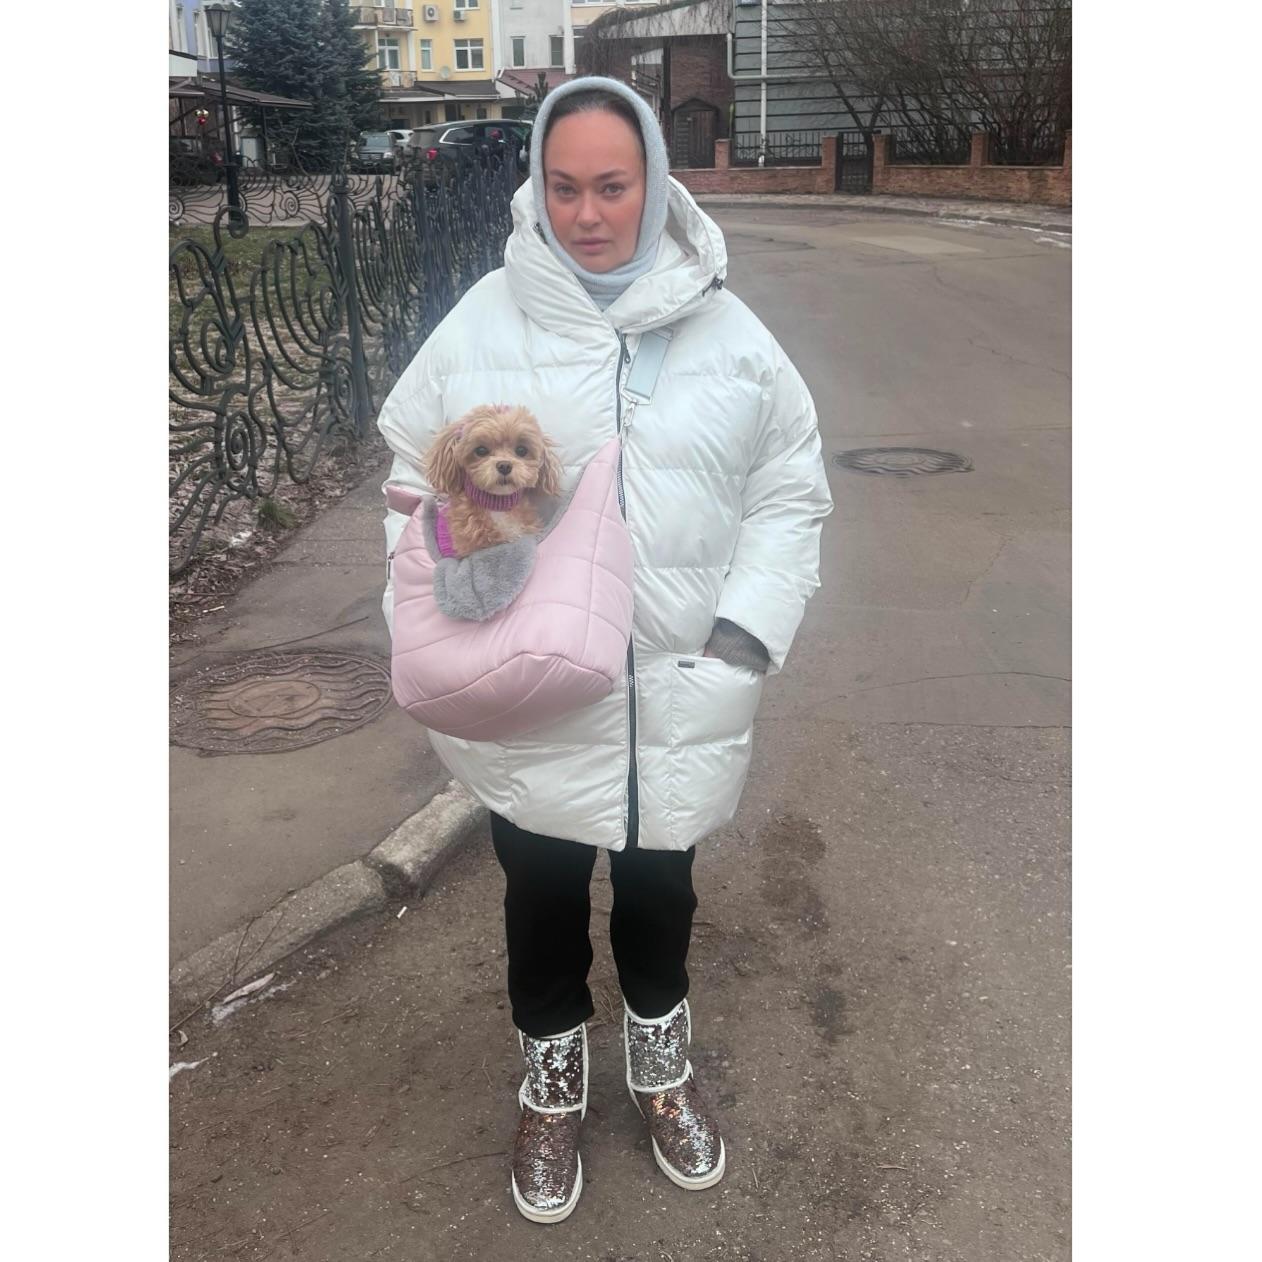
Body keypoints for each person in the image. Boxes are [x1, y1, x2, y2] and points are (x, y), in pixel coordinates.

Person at [377, 76, 832, 1224]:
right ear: (537, 186)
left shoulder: (730, 337)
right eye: (564, 186)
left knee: (659, 892)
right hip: (528, 691)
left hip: (680, 691)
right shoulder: (483, 322)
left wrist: (742, 634)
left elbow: (789, 492)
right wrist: (436, 597)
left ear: (654, 186)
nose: (585, 213)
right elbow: (405, 484)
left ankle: (660, 1068)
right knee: (537, 892)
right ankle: (551, 1083)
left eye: (612, 186)